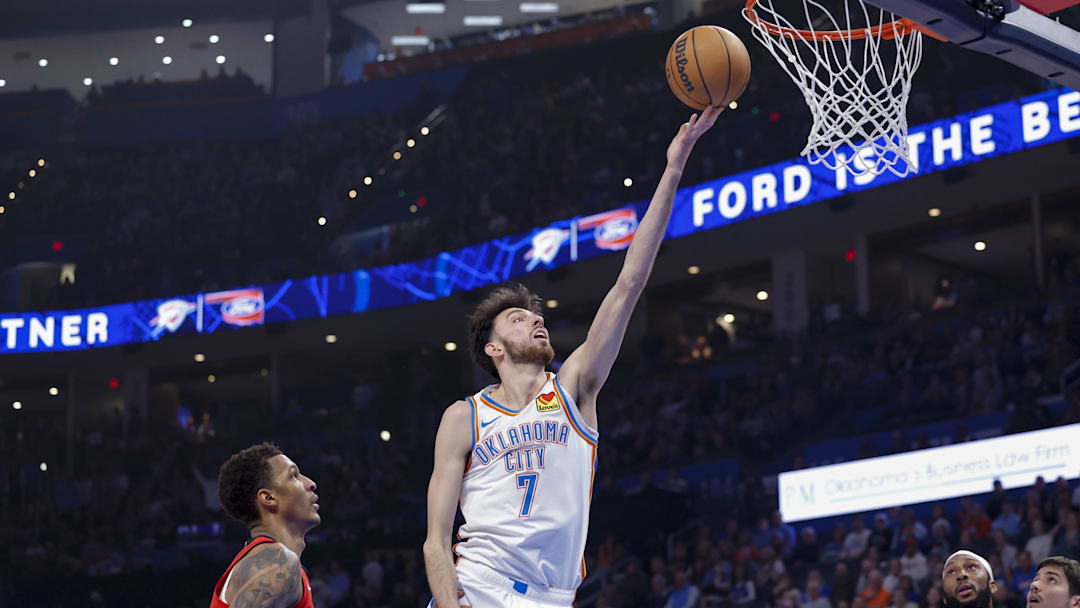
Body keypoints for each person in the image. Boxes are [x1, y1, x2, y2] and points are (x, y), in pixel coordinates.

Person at [422, 106, 724, 608]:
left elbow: (629, 283)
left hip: (554, 598)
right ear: (493, 348)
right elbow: (435, 539)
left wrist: (675, 166)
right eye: (518, 319)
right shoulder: (463, 417)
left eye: (536, 316)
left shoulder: (573, 387)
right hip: (479, 585)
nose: (535, 321)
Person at [209, 442, 319, 608]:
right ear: (269, 498)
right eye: (293, 476)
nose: (311, 483)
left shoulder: (271, 560)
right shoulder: (277, 563)